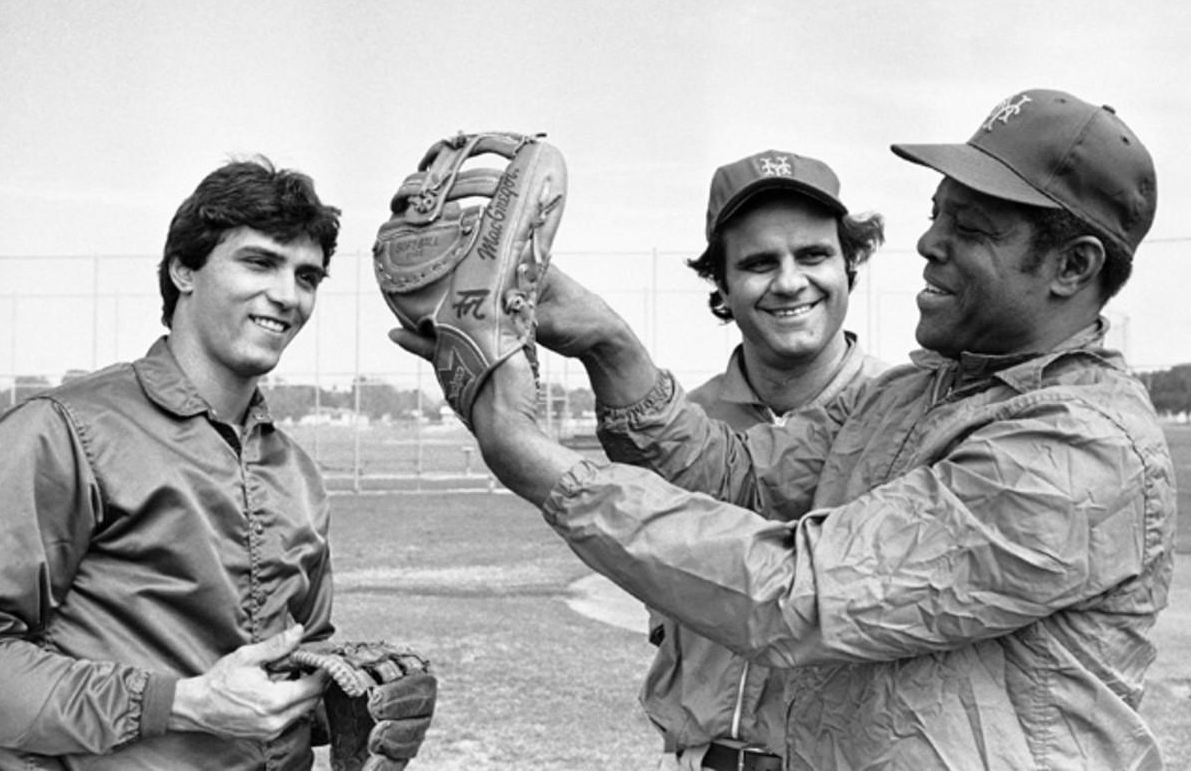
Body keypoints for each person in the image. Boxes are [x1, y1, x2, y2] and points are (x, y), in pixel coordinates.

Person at [397, 89, 1176, 768]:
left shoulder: (1078, 448)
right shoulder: (918, 393)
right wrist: (608, 342)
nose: (931, 243)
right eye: (938, 214)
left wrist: (532, 457)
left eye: (970, 229)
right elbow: (733, 477)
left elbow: (798, 591)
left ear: (1072, 267)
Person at [0, 158, 342, 769]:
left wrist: (342, 700)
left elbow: (301, 655)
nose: (287, 295)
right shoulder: (63, 432)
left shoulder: (297, 474)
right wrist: (182, 703)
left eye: (307, 276)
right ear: (184, 269)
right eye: (259, 262)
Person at [646, 149, 886, 771]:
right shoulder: (681, 430)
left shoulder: (903, 412)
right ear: (721, 286)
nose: (788, 281)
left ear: (849, 264)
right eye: (757, 263)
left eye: (813, 255)